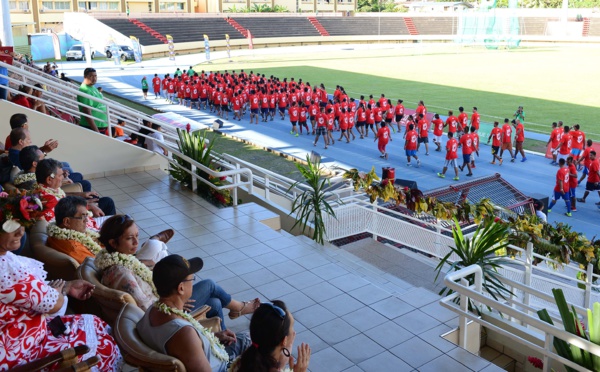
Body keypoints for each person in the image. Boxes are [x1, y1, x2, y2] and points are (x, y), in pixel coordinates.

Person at [0, 191, 122, 371]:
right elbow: (53, 304)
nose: (20, 231)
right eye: (10, 226)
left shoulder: (6, 259)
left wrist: (65, 286)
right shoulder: (5, 271)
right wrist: (59, 292)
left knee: (96, 323)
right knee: (104, 345)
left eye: (21, 224)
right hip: (19, 349)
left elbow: (28, 294)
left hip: (24, 330)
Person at [97, 215, 260, 329]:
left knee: (215, 304)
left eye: (137, 236)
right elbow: (147, 309)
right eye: (129, 238)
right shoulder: (121, 274)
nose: (136, 242)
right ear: (113, 242)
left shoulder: (117, 263)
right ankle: (238, 308)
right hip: (166, 312)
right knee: (209, 285)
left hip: (164, 304)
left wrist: (142, 264)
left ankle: (222, 341)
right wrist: (175, 302)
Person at [136, 254, 251, 371]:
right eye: (192, 279)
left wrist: (214, 337)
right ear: (181, 288)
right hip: (221, 366)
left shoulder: (153, 310)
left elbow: (185, 347)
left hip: (207, 353)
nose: (193, 282)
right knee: (250, 339)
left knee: (215, 303)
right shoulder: (183, 332)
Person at [229, 301, 311, 372]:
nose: (294, 332)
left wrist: (280, 364)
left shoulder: (243, 361)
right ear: (284, 340)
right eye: (292, 326)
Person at [35, 158, 115, 223]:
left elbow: (63, 198)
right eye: (60, 175)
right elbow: (68, 216)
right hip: (81, 223)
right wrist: (88, 206)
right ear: (49, 179)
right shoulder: (48, 199)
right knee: (108, 202)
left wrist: (81, 195)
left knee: (100, 199)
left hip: (77, 212)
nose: (63, 178)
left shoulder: (48, 188)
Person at [77, 68, 108, 134]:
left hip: (100, 126)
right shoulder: (85, 90)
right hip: (92, 128)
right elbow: (87, 112)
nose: (94, 78)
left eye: (95, 76)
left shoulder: (92, 87)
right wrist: (96, 131)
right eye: (91, 76)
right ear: (85, 76)